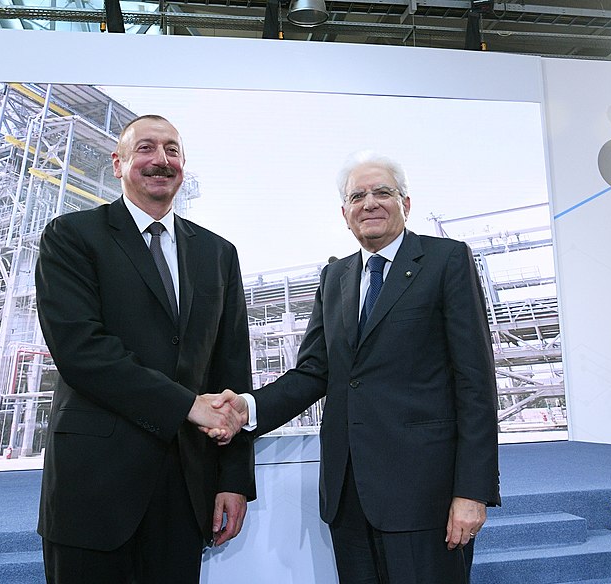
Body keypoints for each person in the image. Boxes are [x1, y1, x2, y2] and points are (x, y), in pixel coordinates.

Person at [211, 151, 500, 583]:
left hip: (427, 497)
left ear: (406, 203)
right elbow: (313, 372)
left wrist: (472, 492)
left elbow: (476, 384)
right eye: (357, 196)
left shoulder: (446, 261)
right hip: (349, 498)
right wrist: (247, 409)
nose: (370, 203)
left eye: (382, 192)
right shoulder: (334, 277)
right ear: (345, 214)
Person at [35, 114, 254, 584]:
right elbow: (81, 351)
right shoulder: (71, 236)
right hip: (93, 488)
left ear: (183, 165)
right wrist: (187, 406)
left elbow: (232, 369)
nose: (161, 160)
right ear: (118, 163)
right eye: (146, 149)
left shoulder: (218, 253)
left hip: (186, 488)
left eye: (172, 150)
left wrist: (234, 481)